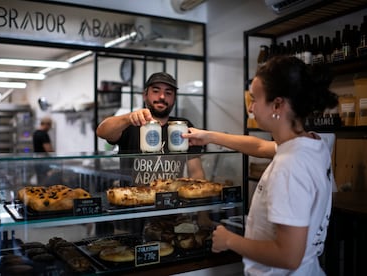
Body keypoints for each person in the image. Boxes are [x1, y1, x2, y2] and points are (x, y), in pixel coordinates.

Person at [183, 56, 338, 275]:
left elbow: (288, 256)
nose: (250, 106)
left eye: (254, 99)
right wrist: (209, 136)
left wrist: (230, 240)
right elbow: (259, 146)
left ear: (277, 104)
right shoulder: (313, 144)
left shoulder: (289, 167)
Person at [96, 72, 205, 184]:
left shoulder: (182, 127)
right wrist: (128, 118)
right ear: (145, 95)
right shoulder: (130, 124)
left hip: (170, 197)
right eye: (156, 91)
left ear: (174, 98)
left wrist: (199, 195)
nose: (162, 97)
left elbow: (195, 172)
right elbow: (102, 132)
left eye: (168, 93)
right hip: (133, 198)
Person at [32, 116, 54, 183]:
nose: (50, 128)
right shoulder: (44, 134)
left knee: (40, 181)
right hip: (44, 162)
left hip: (37, 162)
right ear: (47, 124)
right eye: (50, 125)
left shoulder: (35, 133)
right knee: (46, 182)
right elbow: (48, 150)